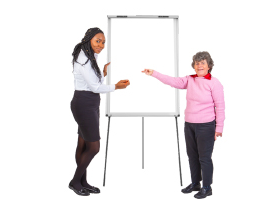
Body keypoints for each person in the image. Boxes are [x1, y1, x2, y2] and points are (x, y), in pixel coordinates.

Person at [142, 51, 225, 199]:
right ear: (194, 66)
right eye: (197, 63)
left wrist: (219, 128)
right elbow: (172, 81)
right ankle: (195, 184)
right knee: (192, 155)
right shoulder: (190, 80)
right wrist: (154, 73)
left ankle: (207, 187)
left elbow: (220, 106)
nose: (199, 65)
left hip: (206, 125)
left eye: (203, 63)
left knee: (204, 157)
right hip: (190, 125)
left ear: (209, 66)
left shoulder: (214, 83)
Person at [69, 27, 130, 196]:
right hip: (84, 104)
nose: (101, 45)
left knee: (83, 143)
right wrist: (116, 86)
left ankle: (82, 181)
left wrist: (102, 72)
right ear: (88, 39)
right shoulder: (84, 58)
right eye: (98, 41)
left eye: (103, 42)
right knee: (94, 147)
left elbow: (94, 81)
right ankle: (75, 181)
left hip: (89, 102)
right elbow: (95, 87)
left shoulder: (90, 55)